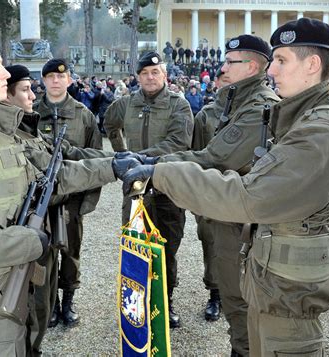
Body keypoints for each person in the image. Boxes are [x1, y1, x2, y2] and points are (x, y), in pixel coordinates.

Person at [121, 18, 329, 355]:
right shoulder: (298, 118)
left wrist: (160, 173)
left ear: (312, 64)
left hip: (289, 289)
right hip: (275, 277)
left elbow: (248, 195)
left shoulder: (318, 131)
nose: (271, 71)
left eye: (281, 61)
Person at [0, 32, 139, 356]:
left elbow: (48, 181)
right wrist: (32, 241)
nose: (6, 74)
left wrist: (112, 167)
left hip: (16, 280)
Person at [141, 35, 280, 356]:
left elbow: (215, 157)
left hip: (243, 220)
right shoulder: (234, 100)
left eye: (231, 62)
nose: (223, 67)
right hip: (226, 212)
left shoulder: (260, 106)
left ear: (253, 66)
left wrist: (152, 165)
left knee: (243, 304)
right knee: (235, 301)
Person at [104, 51, 194, 328]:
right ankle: (136, 305)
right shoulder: (126, 103)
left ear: (164, 75)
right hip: (136, 189)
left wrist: (139, 158)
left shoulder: (179, 105)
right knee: (135, 246)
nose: (150, 77)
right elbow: (110, 123)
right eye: (145, 73)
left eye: (155, 73)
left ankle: (165, 304)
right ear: (138, 77)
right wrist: (122, 154)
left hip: (167, 186)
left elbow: (179, 142)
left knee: (166, 248)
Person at [34, 58, 103, 329]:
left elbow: (95, 158)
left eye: (60, 77)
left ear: (69, 80)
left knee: (71, 251)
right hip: (41, 198)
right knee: (44, 252)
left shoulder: (83, 114)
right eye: (49, 76)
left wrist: (88, 199)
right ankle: (49, 304)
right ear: (43, 80)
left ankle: (69, 300)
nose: (55, 81)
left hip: (71, 197)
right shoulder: (31, 111)